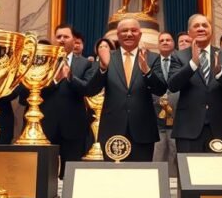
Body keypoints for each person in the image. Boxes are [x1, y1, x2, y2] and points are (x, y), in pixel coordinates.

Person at [84, 18, 167, 161]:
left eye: (133, 31)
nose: (129, 34)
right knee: (114, 178)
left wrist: (146, 71)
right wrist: (102, 68)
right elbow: (91, 90)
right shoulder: (108, 57)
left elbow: (160, 89)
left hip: (143, 130)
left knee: (142, 176)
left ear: (140, 35)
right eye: (124, 31)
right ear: (117, 35)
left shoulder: (152, 58)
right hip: (112, 129)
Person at [168, 14, 222, 153]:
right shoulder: (179, 56)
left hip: (220, 129)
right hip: (188, 130)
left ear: (211, 30)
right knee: (189, 173)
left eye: (205, 25)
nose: (201, 28)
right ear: (189, 32)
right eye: (196, 26)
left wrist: (220, 73)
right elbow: (172, 85)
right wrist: (192, 65)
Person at [40, 24, 96, 177]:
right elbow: (34, 90)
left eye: (66, 37)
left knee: (70, 175)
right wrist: (55, 81)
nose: (61, 40)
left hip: (74, 125)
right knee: (44, 174)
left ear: (74, 40)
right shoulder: (45, 61)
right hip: (47, 124)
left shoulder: (85, 63)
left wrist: (71, 77)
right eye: (58, 37)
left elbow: (87, 88)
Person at [149, 31, 179, 174]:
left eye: (168, 40)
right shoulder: (151, 62)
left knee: (176, 154)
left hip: (178, 118)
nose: (165, 42)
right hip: (156, 118)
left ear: (173, 43)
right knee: (158, 154)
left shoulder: (181, 61)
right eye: (162, 40)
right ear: (158, 45)